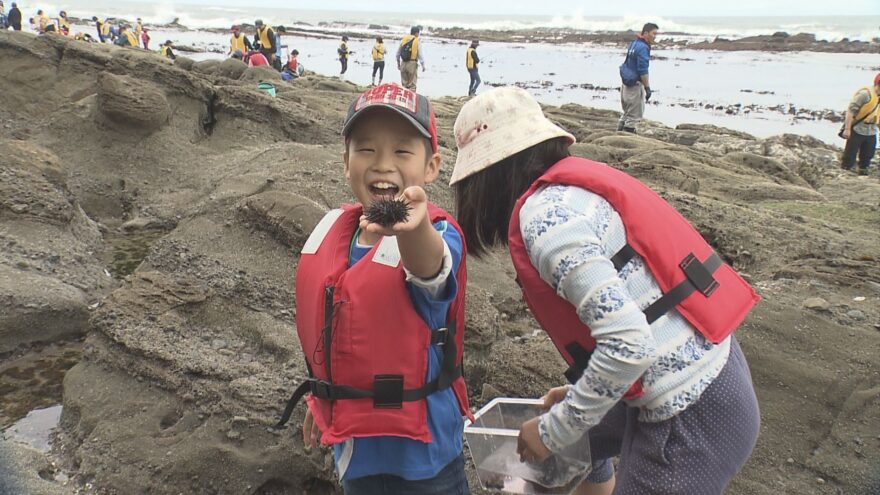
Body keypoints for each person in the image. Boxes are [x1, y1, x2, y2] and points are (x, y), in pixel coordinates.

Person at [449, 86, 761, 495]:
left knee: (567, 430)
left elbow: (629, 345)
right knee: (586, 436)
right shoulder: (571, 196)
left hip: (686, 417)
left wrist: (551, 431)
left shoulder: (547, 221)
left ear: (483, 177)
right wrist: (580, 397)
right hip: (719, 376)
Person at [277, 83, 472, 494]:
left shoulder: (433, 234)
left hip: (427, 454)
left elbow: (431, 272)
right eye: (366, 150)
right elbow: (334, 332)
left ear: (432, 166)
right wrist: (323, 394)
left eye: (402, 151)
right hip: (356, 452)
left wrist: (414, 228)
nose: (383, 164)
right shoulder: (336, 233)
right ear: (346, 162)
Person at [618, 22, 658, 134]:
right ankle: (625, 141)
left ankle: (618, 134)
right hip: (634, 85)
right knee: (634, 117)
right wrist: (647, 88)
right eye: (653, 33)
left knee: (626, 113)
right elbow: (643, 70)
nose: (655, 36)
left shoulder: (634, 44)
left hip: (626, 83)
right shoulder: (643, 48)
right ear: (646, 33)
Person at [840, 73, 880, 176]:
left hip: (871, 131)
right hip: (857, 129)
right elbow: (851, 111)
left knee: (867, 156)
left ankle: (863, 174)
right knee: (850, 155)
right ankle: (845, 173)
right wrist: (847, 129)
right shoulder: (864, 95)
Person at [397, 26, 426, 91]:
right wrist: (423, 65)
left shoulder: (403, 40)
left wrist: (398, 64)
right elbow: (420, 55)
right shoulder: (417, 41)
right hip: (412, 63)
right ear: (416, 33)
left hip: (403, 63)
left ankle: (404, 99)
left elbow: (398, 53)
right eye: (418, 33)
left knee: (404, 85)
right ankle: (411, 100)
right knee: (412, 85)